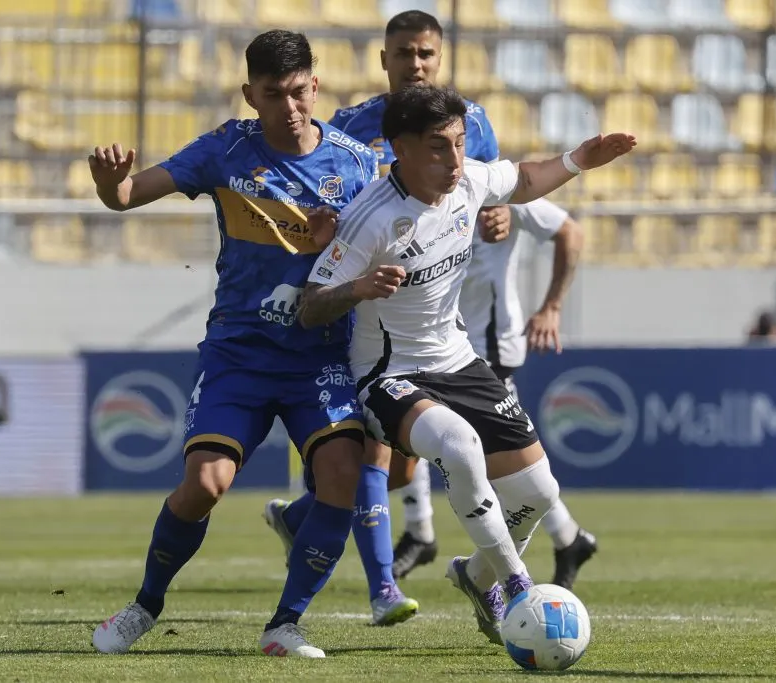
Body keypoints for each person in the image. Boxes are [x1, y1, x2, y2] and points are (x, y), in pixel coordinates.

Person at [297, 84, 635, 644]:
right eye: (438, 147)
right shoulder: (370, 219)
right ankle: (518, 588)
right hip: (389, 376)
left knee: (538, 492)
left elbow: (523, 180)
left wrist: (579, 159)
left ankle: (477, 577)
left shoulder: (470, 181)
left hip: (459, 361)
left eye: (458, 143)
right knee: (458, 446)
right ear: (400, 148)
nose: (454, 159)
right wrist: (358, 288)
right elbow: (311, 306)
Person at [89, 30, 379, 659]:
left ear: (316, 86)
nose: (290, 107)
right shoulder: (224, 149)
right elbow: (129, 195)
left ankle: (285, 624)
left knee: (341, 474)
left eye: (299, 92)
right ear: (251, 94)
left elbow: (388, 239)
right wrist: (111, 186)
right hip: (240, 352)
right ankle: (145, 605)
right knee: (205, 483)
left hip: (320, 357)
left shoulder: (357, 164)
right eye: (274, 94)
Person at [260, 9, 506, 621]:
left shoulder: (471, 122)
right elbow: (325, 199)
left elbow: (481, 192)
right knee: (374, 454)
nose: (415, 64)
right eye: (403, 54)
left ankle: (299, 517)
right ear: (384, 60)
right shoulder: (348, 126)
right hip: (362, 307)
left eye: (425, 53)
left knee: (397, 468)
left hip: (428, 312)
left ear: (439, 58)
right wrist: (321, 226)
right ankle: (384, 590)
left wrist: (498, 217)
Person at [397, 202, 599, 590]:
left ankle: (422, 532)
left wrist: (552, 307)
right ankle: (567, 538)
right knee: (433, 434)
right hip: (439, 347)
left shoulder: (500, 186)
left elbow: (571, 232)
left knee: (501, 463)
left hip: (483, 350)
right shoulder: (414, 199)